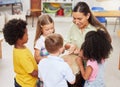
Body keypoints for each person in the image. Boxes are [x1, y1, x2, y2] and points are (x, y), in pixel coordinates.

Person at [3, 19, 38, 87]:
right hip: (26, 84)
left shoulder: (18, 48)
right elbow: (33, 73)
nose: (28, 35)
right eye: (26, 34)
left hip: (20, 80)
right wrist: (43, 73)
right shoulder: (22, 55)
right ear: (18, 38)